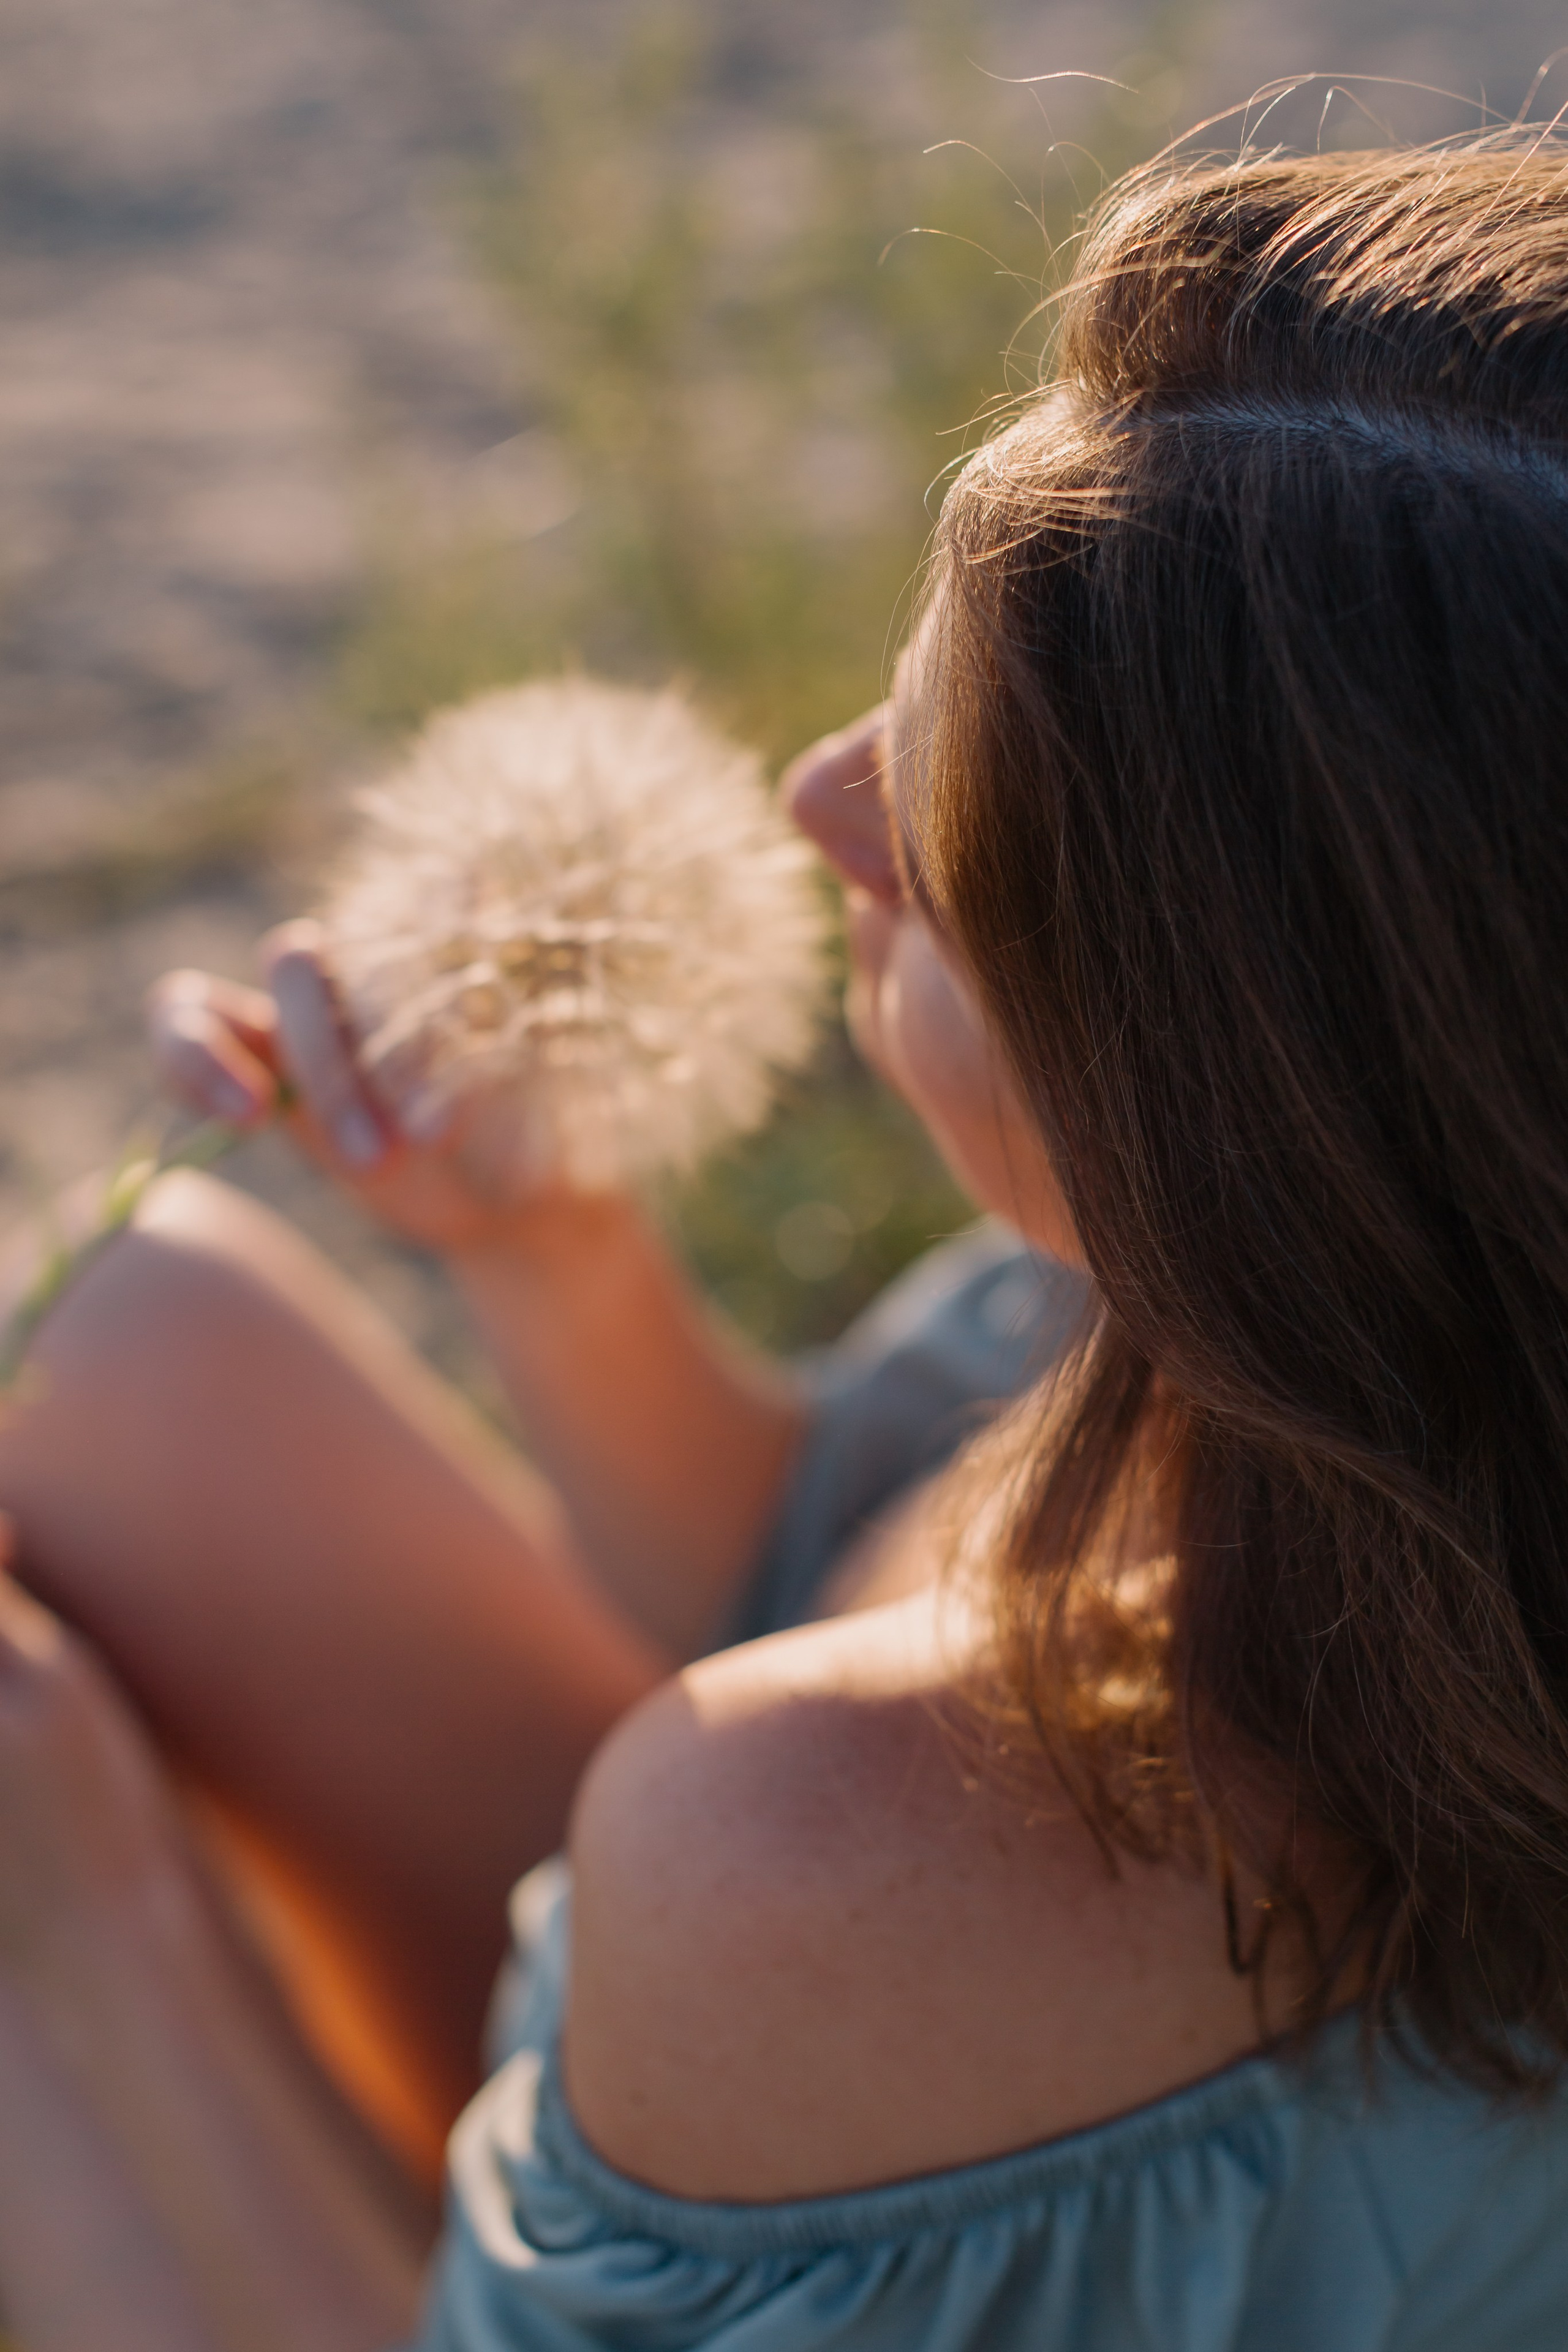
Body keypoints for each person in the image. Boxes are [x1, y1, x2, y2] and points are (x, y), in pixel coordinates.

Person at [3, 130, 1568, 2351]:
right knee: (130, 1348)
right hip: (832, 1998)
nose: (816, 796)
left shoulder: (804, 1857)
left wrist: (83, 1934)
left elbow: (776, 1728)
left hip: (801, 2012)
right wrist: (549, 1258)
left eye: (940, 839)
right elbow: (825, 1546)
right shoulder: (1344, 1364)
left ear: (1237, 1124)